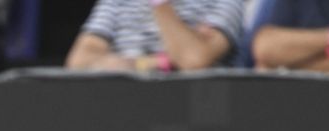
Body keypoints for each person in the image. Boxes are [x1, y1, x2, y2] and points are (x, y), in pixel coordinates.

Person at [65, 0, 246, 71]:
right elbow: (79, 62)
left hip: (191, 112)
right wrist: (158, 62)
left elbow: (193, 60)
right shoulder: (117, 2)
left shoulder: (225, 1)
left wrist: (160, 4)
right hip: (121, 108)